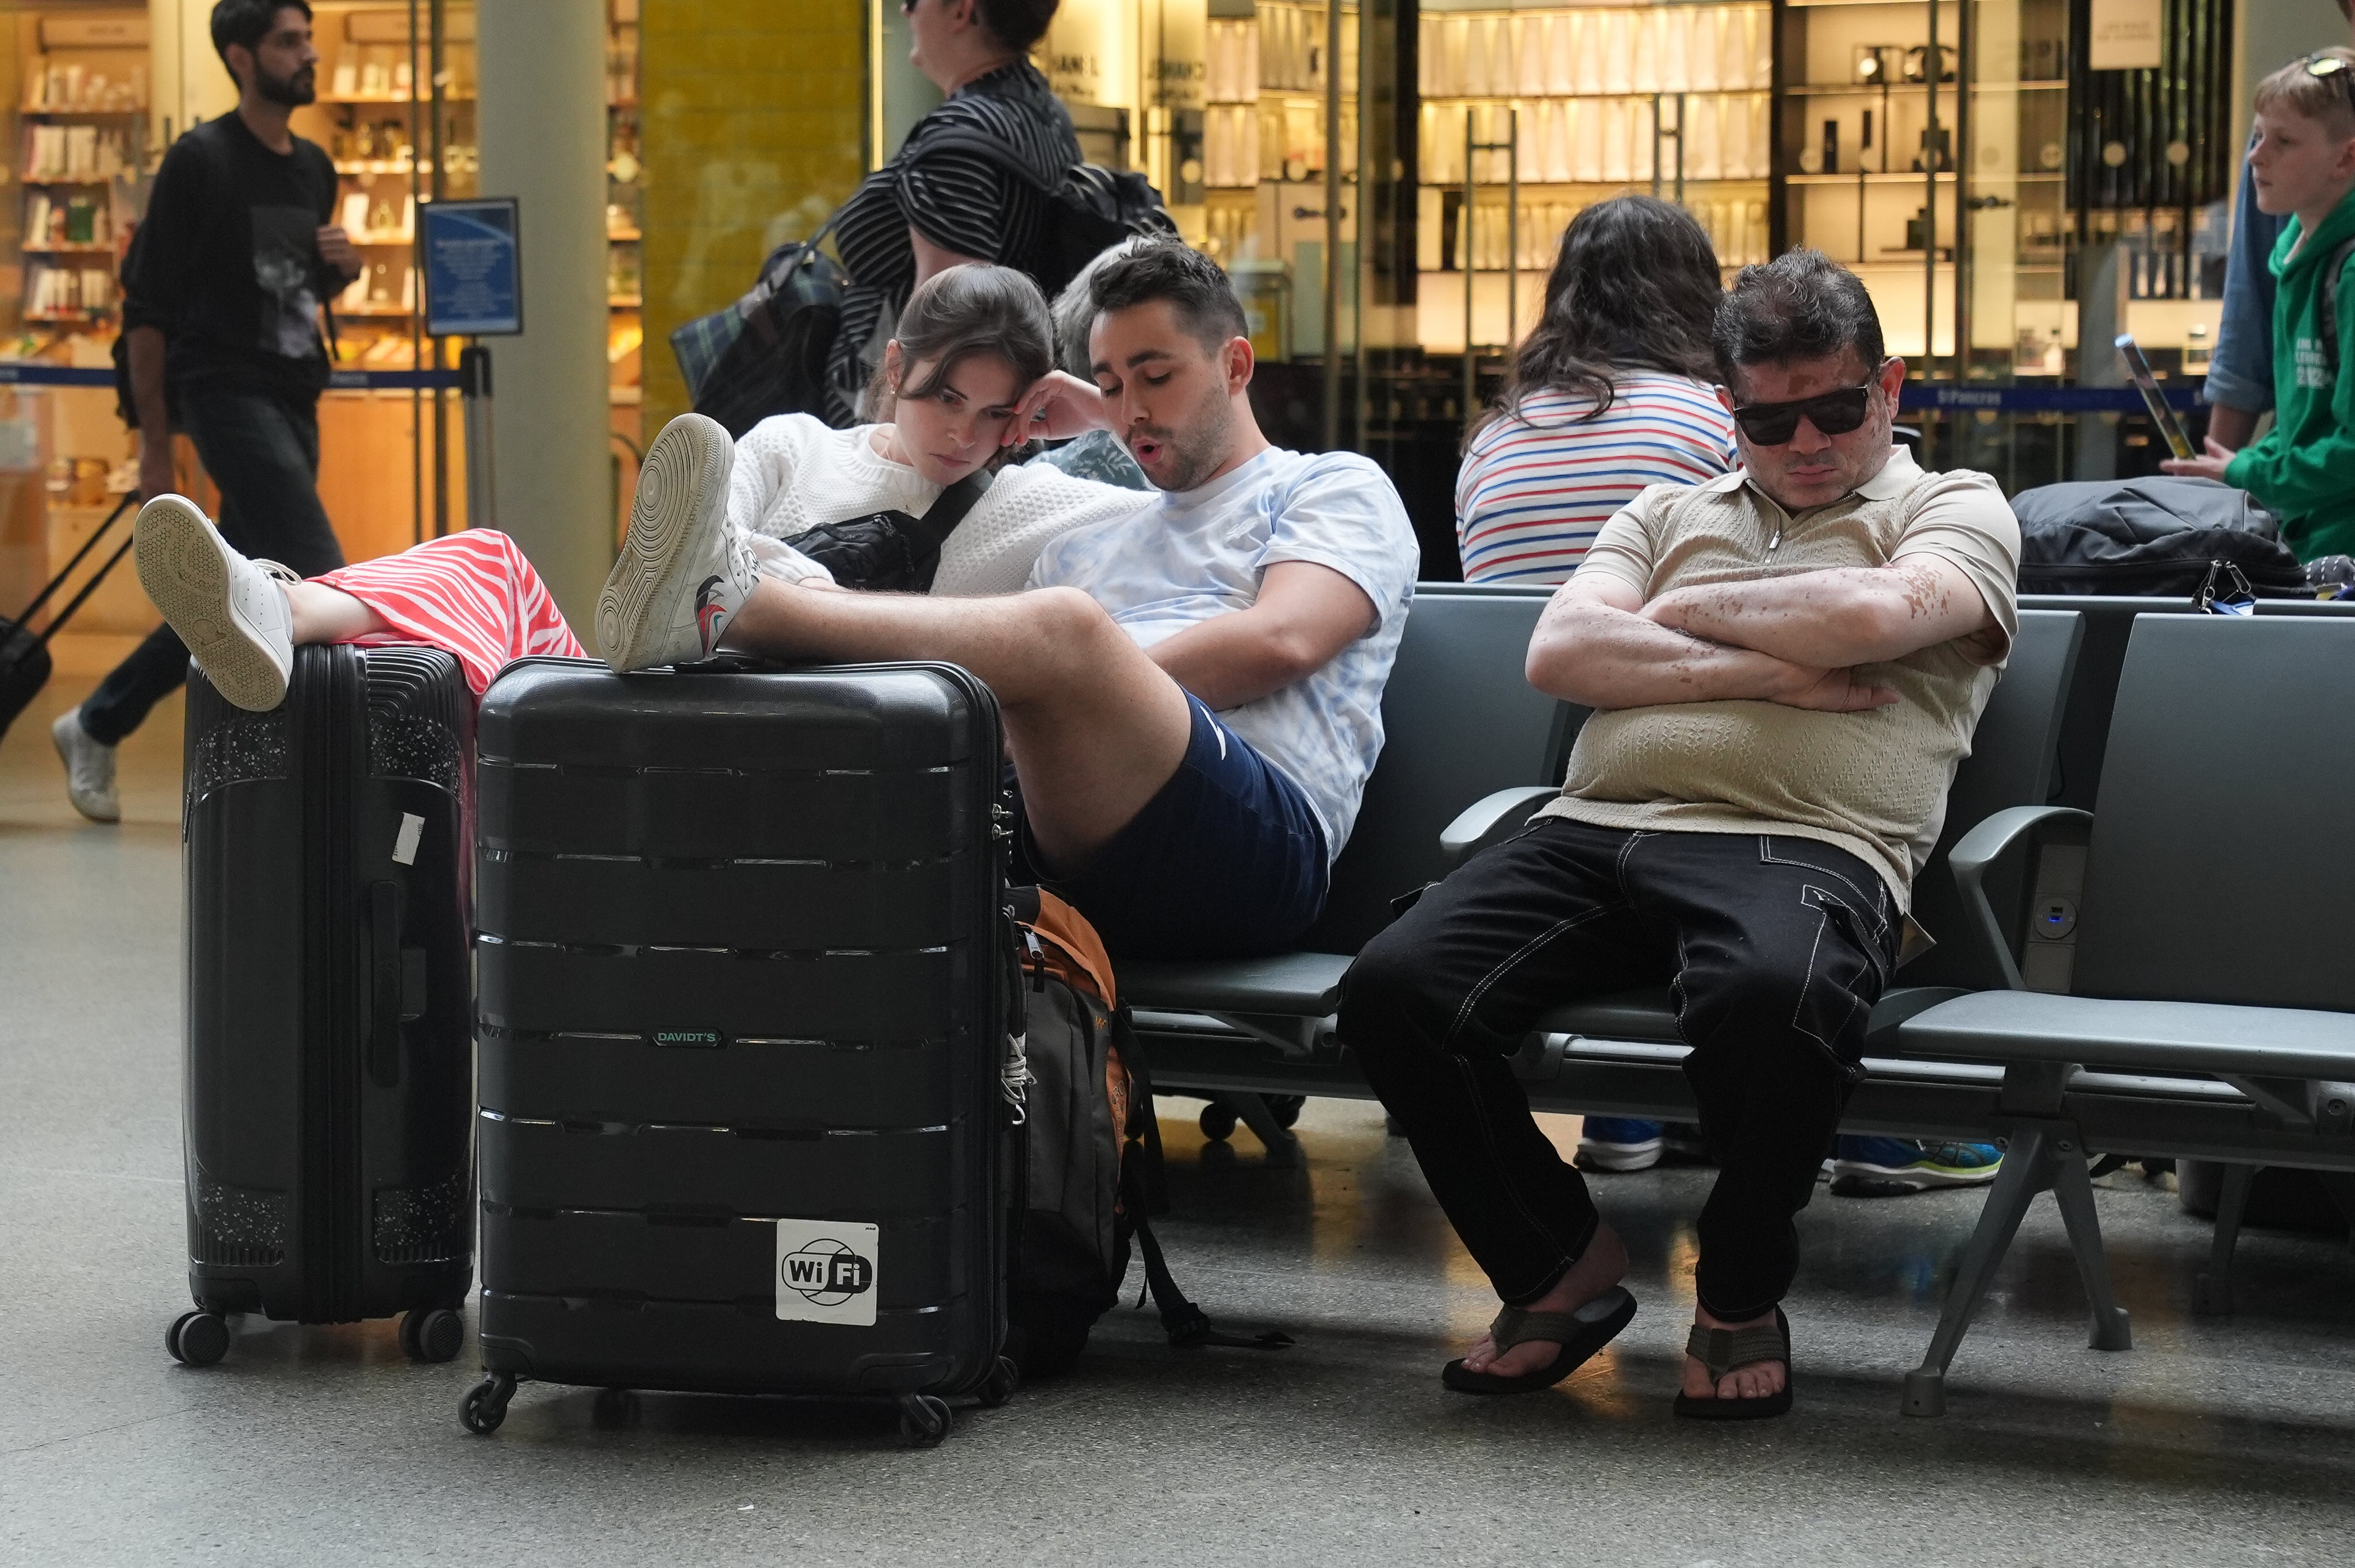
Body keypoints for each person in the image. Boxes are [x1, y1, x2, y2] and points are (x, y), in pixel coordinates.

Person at [1338, 250, 2019, 1418]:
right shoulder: (1663, 507)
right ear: (1726, 409)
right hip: (1591, 832)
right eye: (1767, 420)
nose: (1803, 443)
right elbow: (1560, 653)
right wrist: (1784, 672)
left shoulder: (1951, 506)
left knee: (1769, 995)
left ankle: (1741, 1288)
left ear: (1889, 388)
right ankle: (1559, 1264)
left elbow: (1869, 610)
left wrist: (1676, 613)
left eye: (1833, 408)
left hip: (1807, 844)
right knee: (1393, 985)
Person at [598, 237, 1421, 960]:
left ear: (1235, 366)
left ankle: (741, 599)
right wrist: (1101, 418)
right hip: (1057, 846)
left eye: (1157, 376)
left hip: (1255, 844)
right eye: (1110, 382)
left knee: (1063, 633)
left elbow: (1282, 641)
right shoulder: (1087, 535)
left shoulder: (1330, 486)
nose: (1133, 407)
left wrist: (1079, 680)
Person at [128, 264, 1145, 713]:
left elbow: (1172, 507)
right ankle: (278, 605)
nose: (964, 434)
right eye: (943, 399)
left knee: (705, 571)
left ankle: (711, 610)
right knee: (488, 558)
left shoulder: (1025, 499)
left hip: (819, 731)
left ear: (1028, 410)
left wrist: (1092, 418)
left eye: (995, 412)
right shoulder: (799, 444)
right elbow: (701, 529)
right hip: (661, 698)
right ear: (895, 367)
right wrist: (729, 576)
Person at [50, 0, 359, 822]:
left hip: (296, 394)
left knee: (240, 591)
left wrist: (341, 269)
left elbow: (293, 287)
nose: (308, 55)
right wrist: (155, 442)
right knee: (317, 567)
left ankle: (97, 721)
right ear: (239, 57)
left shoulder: (313, 166)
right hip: (223, 392)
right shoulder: (201, 159)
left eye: (307, 39)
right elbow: (146, 306)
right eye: (288, 42)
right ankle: (327, 783)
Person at [1455, 196, 1736, 587]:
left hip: (1505, 650)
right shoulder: (1723, 422)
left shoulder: (1490, 445)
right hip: (1664, 647)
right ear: (1703, 300)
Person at [823, 0, 1075, 426]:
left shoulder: (961, 138)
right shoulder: (1042, 113)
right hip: (982, 421)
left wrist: (882, 449)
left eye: (912, 2)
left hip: (921, 436)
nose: (905, 13)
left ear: (961, 11)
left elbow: (944, 320)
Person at [2162, 48, 2355, 562]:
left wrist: (2247, 472)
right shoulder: (2298, 256)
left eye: (2283, 142)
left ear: (2346, 158)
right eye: (2258, 136)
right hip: (2313, 541)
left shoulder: (2349, 269)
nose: (2256, 156)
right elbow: (2301, 429)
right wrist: (2235, 467)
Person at [2201, 0, 2355, 451]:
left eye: (2282, 142)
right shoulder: (2302, 110)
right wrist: (2219, 482)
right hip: (2314, 496)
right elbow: (2250, 322)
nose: (2259, 155)